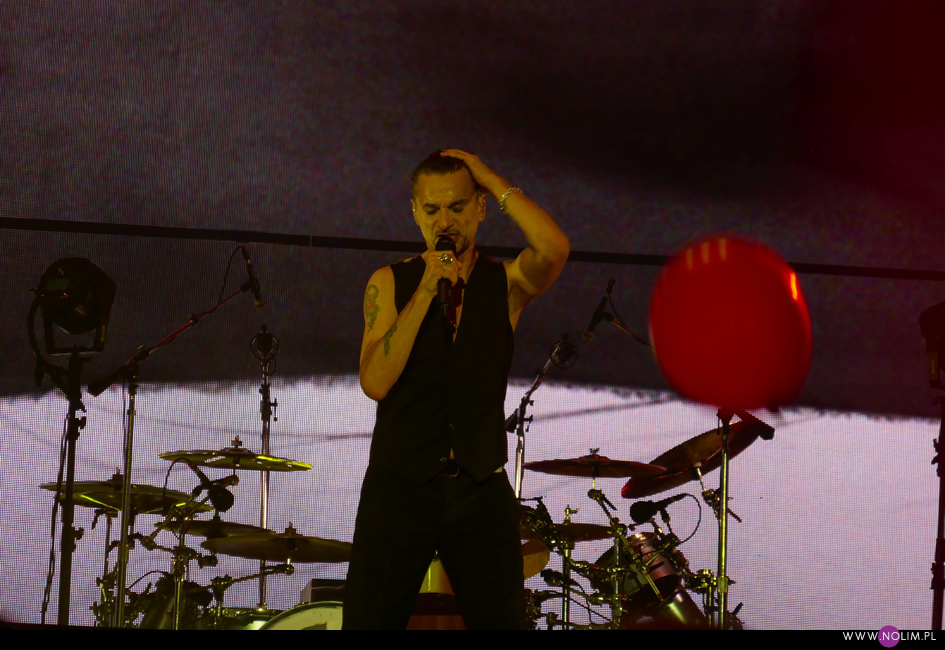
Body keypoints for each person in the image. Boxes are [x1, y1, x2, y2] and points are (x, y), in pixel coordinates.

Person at [343, 149, 570, 629]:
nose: (444, 221)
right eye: (431, 209)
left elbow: (554, 248)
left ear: (480, 208)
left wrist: (490, 177)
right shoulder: (391, 281)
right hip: (401, 482)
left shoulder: (503, 283)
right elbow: (375, 382)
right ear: (414, 211)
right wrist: (427, 288)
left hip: (479, 482)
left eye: (457, 207)